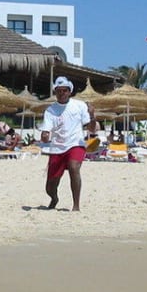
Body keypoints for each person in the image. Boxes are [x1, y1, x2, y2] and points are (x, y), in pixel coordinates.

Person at [39, 76, 97, 211]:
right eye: (59, 91)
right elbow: (45, 135)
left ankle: (76, 206)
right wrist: (44, 136)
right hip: (57, 148)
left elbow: (91, 128)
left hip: (75, 144)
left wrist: (92, 115)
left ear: (70, 91)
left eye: (65, 90)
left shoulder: (79, 106)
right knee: (50, 186)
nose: (62, 93)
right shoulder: (50, 110)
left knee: (74, 167)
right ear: (55, 92)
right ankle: (54, 198)